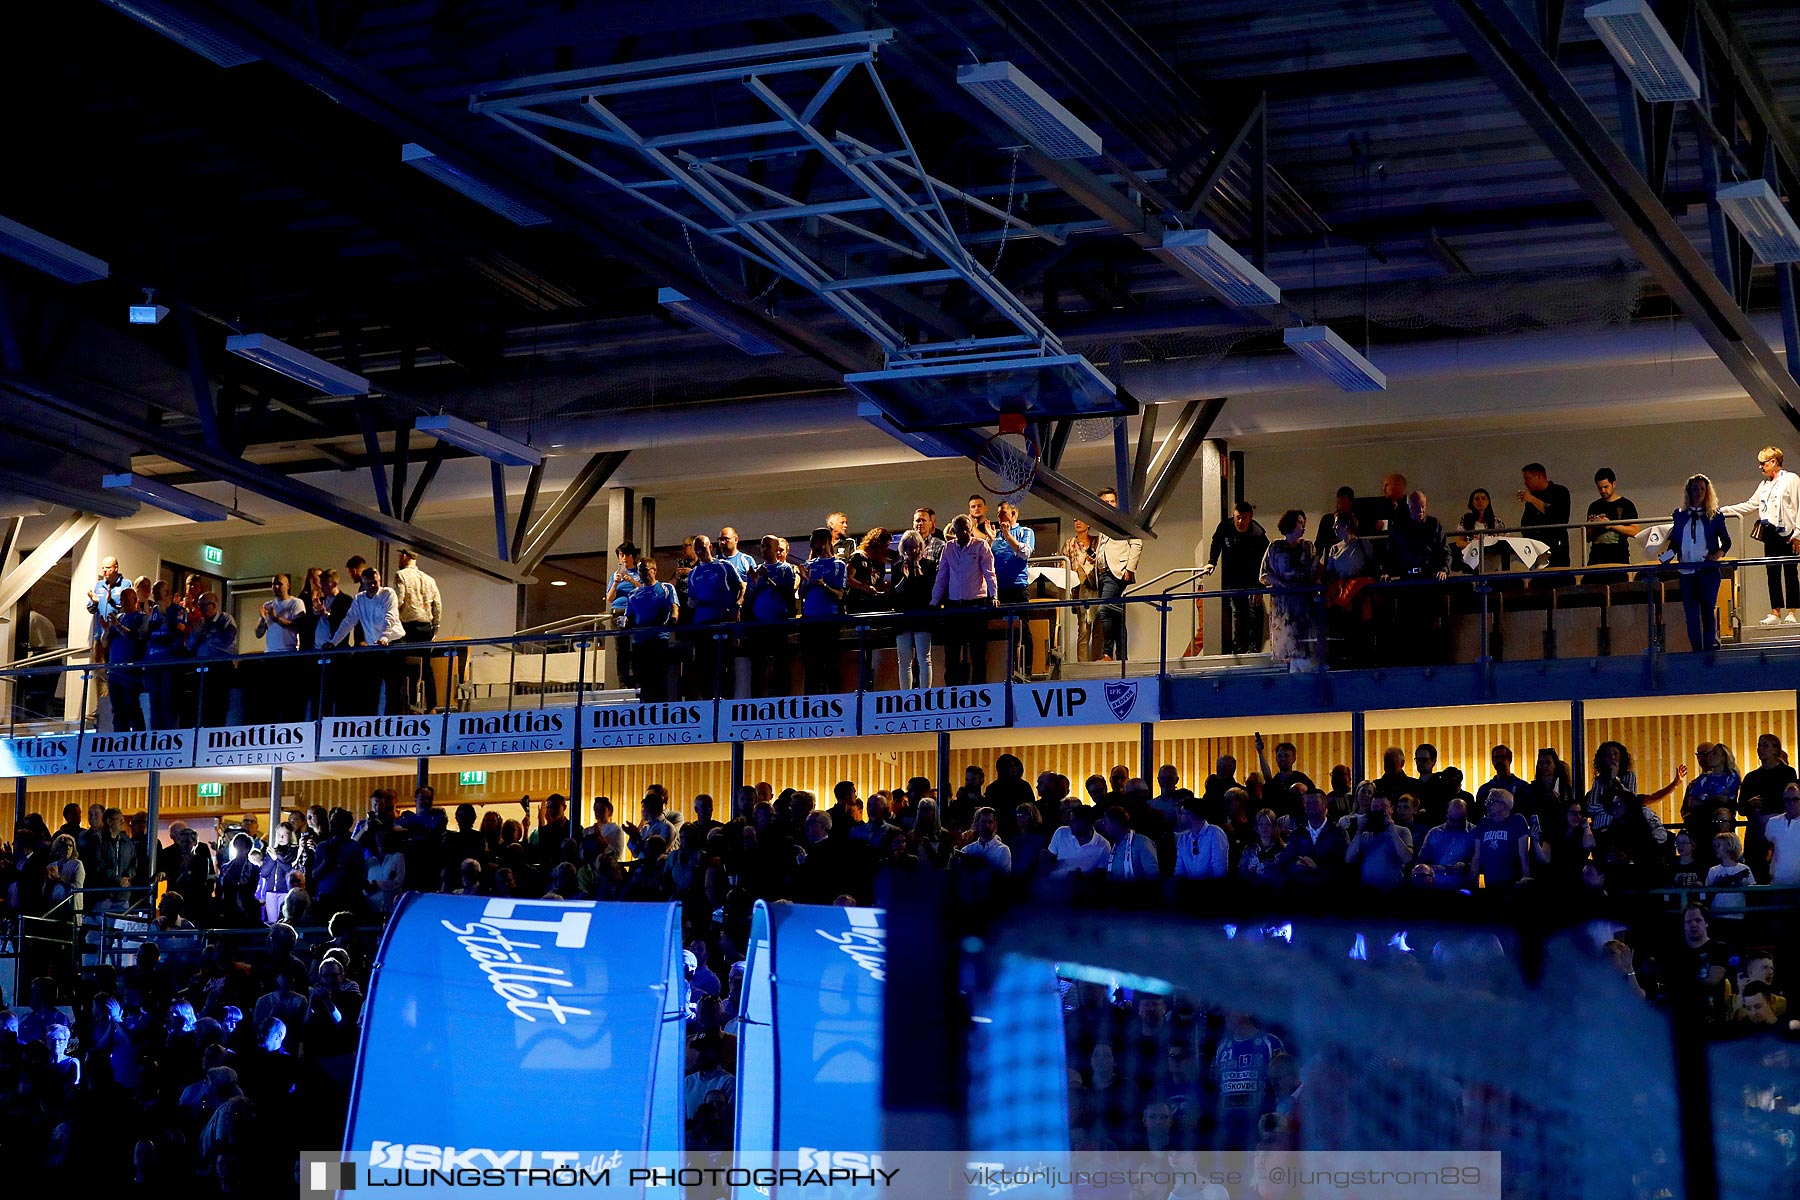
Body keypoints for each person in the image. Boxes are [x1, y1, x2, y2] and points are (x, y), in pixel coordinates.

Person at [1719, 445, 1800, 625]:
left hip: (1788, 532)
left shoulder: (1791, 479)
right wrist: (1724, 511)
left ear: (1773, 462)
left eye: (1763, 463)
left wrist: (1798, 534)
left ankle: (1792, 612)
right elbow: (1750, 505)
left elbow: (1799, 505)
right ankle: (1776, 612)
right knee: (1771, 571)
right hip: (1769, 532)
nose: (1760, 467)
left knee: (1790, 571)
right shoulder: (1764, 485)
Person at [1380, 490, 1451, 664]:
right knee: (1408, 626)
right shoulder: (1399, 527)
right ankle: (1411, 664)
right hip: (1408, 583)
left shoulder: (1434, 524)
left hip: (1429, 582)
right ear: (1408, 507)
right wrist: (1386, 572)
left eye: (1423, 507)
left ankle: (1433, 663)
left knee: (1431, 626)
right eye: (1416, 508)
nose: (1420, 512)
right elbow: (1390, 554)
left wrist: (1443, 569)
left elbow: (1445, 552)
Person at [1662, 473, 1730, 653]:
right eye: (1695, 488)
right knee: (1691, 616)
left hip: (1707, 572)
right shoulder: (1680, 515)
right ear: (1689, 492)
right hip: (1686, 573)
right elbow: (1675, 542)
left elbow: (1726, 541)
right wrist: (1666, 556)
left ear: (1707, 491)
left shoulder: (1715, 515)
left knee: (1707, 613)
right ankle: (1696, 652)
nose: (1698, 492)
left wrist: (1716, 555)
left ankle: (1708, 652)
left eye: (1702, 488)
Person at [327, 568, 407, 714]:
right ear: (362, 583)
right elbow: (349, 621)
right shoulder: (359, 599)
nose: (371, 586)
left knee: (394, 688)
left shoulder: (388, 594)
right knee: (371, 687)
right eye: (368, 583)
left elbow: (390, 617)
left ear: (379, 581)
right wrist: (333, 642)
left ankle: (395, 724)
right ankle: (371, 724)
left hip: (394, 642)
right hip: (374, 647)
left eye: (374, 583)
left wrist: (384, 637)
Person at [932, 515, 998, 686]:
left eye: (967, 529)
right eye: (960, 530)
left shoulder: (980, 545)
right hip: (955, 606)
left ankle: (979, 689)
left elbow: (989, 573)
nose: (964, 533)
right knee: (952, 653)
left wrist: (994, 595)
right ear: (954, 531)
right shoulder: (948, 548)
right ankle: (952, 690)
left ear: (970, 529)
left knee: (978, 653)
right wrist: (934, 601)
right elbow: (942, 576)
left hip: (976, 605)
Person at [1259, 509, 1318, 670]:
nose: (1303, 526)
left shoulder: (1308, 547)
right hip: (1284, 606)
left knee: (1305, 652)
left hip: (1303, 603)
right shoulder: (1275, 547)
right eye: (1300, 522)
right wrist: (1281, 583)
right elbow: (1264, 574)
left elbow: (1314, 572)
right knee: (1289, 652)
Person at [1209, 501, 1269, 654]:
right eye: (1238, 518)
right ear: (1233, 516)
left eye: (1244, 518)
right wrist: (1211, 562)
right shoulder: (1225, 527)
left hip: (1253, 578)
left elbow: (1265, 560)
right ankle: (1240, 645)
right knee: (1239, 612)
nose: (1240, 522)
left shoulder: (1258, 533)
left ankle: (1254, 646)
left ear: (1251, 517)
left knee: (1254, 611)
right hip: (1234, 577)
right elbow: (1215, 543)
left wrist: (1261, 586)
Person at [743, 534, 798, 697]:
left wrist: (769, 581)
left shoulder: (785, 569)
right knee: (758, 667)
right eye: (762, 546)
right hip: (759, 625)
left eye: (768, 546)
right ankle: (757, 701)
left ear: (775, 549)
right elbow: (748, 599)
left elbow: (788, 594)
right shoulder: (756, 570)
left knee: (781, 666)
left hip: (778, 624)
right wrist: (756, 583)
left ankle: (782, 699)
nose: (764, 549)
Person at [1092, 488, 1142, 661]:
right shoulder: (1102, 523)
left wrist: (1130, 568)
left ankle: (1107, 653)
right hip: (1103, 574)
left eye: (1112, 501)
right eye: (1106, 502)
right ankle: (1122, 657)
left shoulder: (1123, 519)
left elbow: (1136, 543)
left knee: (1104, 610)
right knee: (1117, 615)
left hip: (1117, 572)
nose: (1110, 505)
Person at [797, 528, 847, 695]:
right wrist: (807, 581)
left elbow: (840, 595)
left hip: (829, 620)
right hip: (810, 620)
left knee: (831, 662)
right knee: (811, 665)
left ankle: (833, 698)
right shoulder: (809, 565)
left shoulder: (839, 565)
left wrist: (823, 585)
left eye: (815, 540)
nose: (812, 544)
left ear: (824, 541)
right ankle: (811, 701)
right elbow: (801, 594)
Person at [393, 549, 443, 710]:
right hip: (426, 627)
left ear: (405, 556)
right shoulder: (429, 579)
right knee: (426, 667)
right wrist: (435, 627)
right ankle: (432, 705)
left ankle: (409, 703)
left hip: (408, 627)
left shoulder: (401, 576)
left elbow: (398, 601)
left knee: (405, 667)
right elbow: (438, 605)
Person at [624, 559, 679, 702]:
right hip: (639, 642)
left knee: (660, 678)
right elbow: (628, 617)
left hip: (658, 639)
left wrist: (673, 619)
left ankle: (663, 711)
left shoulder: (665, 588)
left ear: (653, 570)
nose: (641, 574)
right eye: (639, 570)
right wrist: (624, 623)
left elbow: (674, 607)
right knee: (643, 680)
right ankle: (646, 710)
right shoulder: (633, 594)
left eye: (644, 570)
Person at [251, 574, 304, 724]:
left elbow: (298, 626)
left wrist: (276, 619)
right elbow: (258, 633)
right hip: (270, 656)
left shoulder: (296, 603)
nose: (276, 587)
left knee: (288, 699)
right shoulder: (268, 605)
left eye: (279, 584)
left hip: (288, 656)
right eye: (273, 584)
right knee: (269, 700)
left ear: (288, 585)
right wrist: (263, 618)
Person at [992, 501, 1036, 681]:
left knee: (1023, 629)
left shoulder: (1025, 532)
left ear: (1014, 514)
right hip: (999, 590)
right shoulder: (995, 535)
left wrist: (1008, 535)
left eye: (1004, 513)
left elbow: (1025, 553)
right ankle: (1006, 671)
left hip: (1018, 588)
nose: (1001, 517)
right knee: (1002, 631)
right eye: (998, 514)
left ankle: (1026, 671)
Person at [890, 530, 937, 689]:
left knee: (924, 657)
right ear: (903, 548)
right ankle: (906, 694)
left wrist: (918, 571)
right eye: (909, 548)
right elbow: (895, 592)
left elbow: (930, 591)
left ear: (921, 547)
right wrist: (905, 577)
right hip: (903, 616)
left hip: (922, 614)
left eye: (915, 547)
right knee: (904, 660)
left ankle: (926, 692)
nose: (912, 551)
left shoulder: (929, 566)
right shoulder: (897, 567)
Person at [184, 593, 239, 726]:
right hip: (202, 670)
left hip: (220, 669)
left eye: (204, 605)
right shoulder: (200, 623)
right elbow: (189, 646)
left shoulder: (225, 619)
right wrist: (197, 633)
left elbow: (227, 640)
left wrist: (208, 630)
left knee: (218, 707)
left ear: (214, 605)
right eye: (200, 605)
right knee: (201, 707)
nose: (201, 609)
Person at [103, 587, 150, 732]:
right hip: (115, 672)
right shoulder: (120, 618)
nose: (123, 603)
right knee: (117, 710)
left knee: (132, 707)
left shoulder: (140, 618)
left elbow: (134, 638)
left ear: (135, 601)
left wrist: (117, 625)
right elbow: (105, 643)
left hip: (131, 673)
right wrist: (107, 629)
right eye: (122, 600)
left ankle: (138, 739)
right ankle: (119, 740)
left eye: (127, 600)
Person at [1473, 790, 1531, 891]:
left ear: (1503, 805)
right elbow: (1477, 856)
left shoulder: (1517, 820)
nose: (1487, 805)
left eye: (1491, 802)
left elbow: (1523, 853)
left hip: (1513, 882)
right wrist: (1472, 881)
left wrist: (1526, 878)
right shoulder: (1483, 823)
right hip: (1490, 881)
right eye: (1487, 802)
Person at [1517, 462, 1572, 569]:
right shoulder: (1532, 497)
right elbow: (1526, 522)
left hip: (1556, 550)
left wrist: (1533, 500)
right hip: (1536, 551)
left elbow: (1560, 517)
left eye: (1527, 479)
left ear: (1539, 476)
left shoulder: (1560, 492)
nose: (1525, 483)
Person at [1585, 468, 1640, 571]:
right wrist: (1593, 526)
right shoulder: (1594, 506)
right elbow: (1586, 537)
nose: (1603, 491)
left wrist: (1610, 525)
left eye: (1606, 487)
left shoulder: (1626, 505)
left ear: (1613, 484)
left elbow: (1635, 531)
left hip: (1618, 557)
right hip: (1596, 558)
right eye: (1599, 488)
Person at [1062, 517, 1100, 660]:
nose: (1078, 522)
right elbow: (1063, 567)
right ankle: (1082, 665)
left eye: (1081, 520)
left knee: (1099, 628)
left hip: (1097, 588)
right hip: (1079, 589)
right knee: (1083, 629)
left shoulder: (1097, 541)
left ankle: (1098, 664)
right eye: (1075, 520)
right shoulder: (1070, 544)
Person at [1172, 796, 1229, 881]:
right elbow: (1180, 869)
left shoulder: (1215, 833)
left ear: (1191, 816)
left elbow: (1219, 868)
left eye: (1182, 813)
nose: (1179, 816)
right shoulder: (1183, 838)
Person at [1456, 488, 1505, 572]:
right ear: (1472, 502)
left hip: (1491, 561)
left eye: (1483, 498)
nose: (1480, 501)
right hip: (1471, 560)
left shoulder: (1496, 522)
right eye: (1477, 499)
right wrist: (1474, 545)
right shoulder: (1466, 520)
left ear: (1488, 501)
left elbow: (1504, 542)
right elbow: (1459, 542)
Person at [1768, 784, 1800, 888]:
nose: (1791, 803)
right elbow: (1767, 849)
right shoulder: (1773, 823)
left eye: (1795, 799)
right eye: (1787, 799)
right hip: (1777, 884)